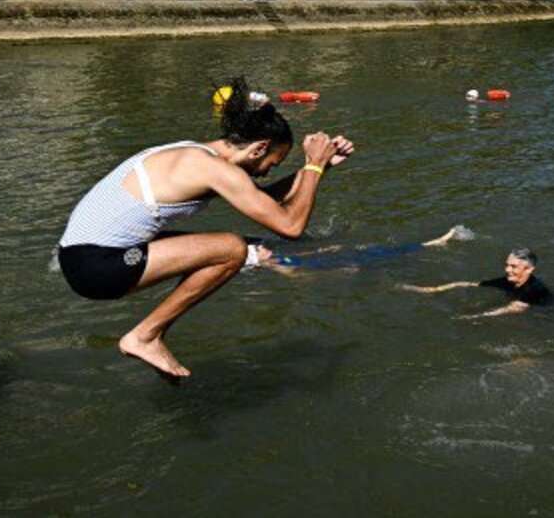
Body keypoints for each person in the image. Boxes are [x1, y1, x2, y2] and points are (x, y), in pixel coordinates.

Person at [56, 78, 354, 379]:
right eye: (272, 164)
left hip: (83, 255)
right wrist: (313, 166)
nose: (267, 171)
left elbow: (266, 203)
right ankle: (145, 336)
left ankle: (280, 265)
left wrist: (318, 168)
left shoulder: (198, 155)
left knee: (252, 246)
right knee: (232, 250)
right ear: (259, 148)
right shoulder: (214, 169)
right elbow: (290, 225)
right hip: (95, 266)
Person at [254, 226, 469, 274]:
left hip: (337, 258)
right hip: (339, 264)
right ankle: (434, 244)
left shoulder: (281, 257)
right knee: (388, 256)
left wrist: (330, 247)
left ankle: (434, 244)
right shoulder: (275, 264)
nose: (264, 248)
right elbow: (300, 276)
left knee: (382, 251)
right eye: (259, 250)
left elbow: (304, 256)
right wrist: (339, 272)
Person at [401, 247, 551, 316]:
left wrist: (474, 317)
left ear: (529, 270)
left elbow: (512, 309)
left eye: (513, 266)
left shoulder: (534, 290)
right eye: (506, 265)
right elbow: (472, 284)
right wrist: (433, 289)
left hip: (548, 316)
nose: (507, 269)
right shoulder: (508, 281)